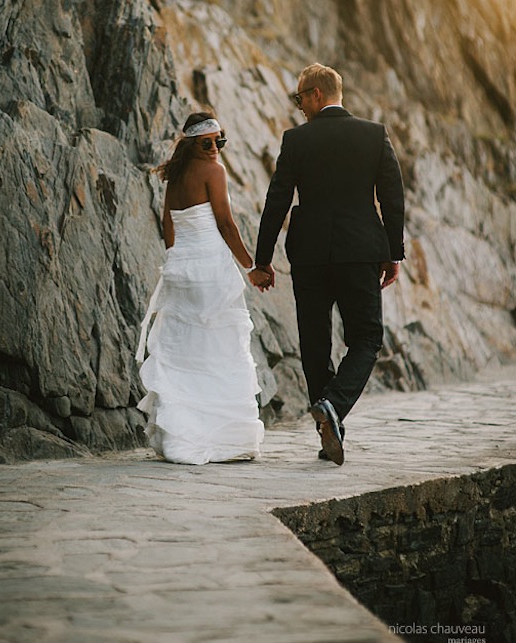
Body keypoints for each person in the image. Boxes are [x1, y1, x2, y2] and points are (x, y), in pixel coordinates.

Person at [254, 63, 405, 465]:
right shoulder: (373, 135)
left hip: (310, 255)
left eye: (300, 97)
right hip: (360, 252)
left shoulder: (296, 140)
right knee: (368, 337)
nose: (299, 105)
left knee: (315, 344)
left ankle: (328, 422)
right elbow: (392, 197)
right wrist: (393, 252)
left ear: (317, 95)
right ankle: (333, 409)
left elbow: (278, 199)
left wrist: (262, 259)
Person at [136, 112, 267, 464]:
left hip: (182, 269)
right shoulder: (215, 172)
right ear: (192, 144)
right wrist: (251, 268)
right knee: (217, 352)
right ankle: (219, 439)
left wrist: (177, 258)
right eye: (206, 142)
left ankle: (181, 436)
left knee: (186, 353)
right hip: (210, 269)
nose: (214, 148)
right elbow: (225, 223)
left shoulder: (176, 174)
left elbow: (167, 221)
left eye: (219, 141)